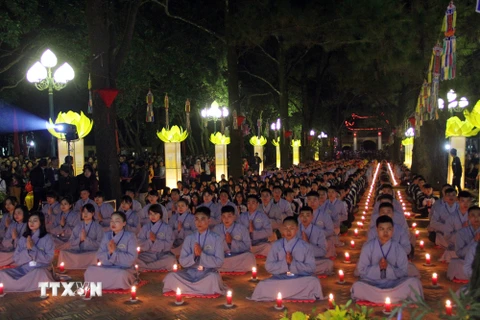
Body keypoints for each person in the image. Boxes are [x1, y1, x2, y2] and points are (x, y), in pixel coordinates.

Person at [351, 215, 424, 304]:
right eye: (382, 229)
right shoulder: (368, 247)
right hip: (372, 283)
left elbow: (404, 272)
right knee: (357, 286)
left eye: (388, 229)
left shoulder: (398, 248)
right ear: (377, 230)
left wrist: (388, 268)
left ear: (393, 230)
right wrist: (378, 267)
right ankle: (395, 297)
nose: (385, 232)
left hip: (394, 283)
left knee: (414, 282)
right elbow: (361, 271)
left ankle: (378, 297)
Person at [249, 216, 323, 301]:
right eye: (286, 228)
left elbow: (311, 268)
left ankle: (284, 293)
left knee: (314, 282)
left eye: (291, 228)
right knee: (262, 284)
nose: (288, 231)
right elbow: (268, 266)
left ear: (297, 229)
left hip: (299, 278)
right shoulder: (276, 245)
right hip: (281, 278)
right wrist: (285, 263)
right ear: (282, 229)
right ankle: (298, 293)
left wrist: (293, 263)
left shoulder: (306, 246)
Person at [162, 206, 226, 295]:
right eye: (196, 219)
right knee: (170, 276)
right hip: (190, 272)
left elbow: (219, 262)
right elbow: (182, 262)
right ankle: (201, 289)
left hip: (207, 273)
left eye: (202, 219)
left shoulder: (216, 239)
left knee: (213, 278)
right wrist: (194, 255)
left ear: (209, 221)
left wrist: (202, 254)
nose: (199, 222)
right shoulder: (189, 238)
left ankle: (188, 288)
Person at [0, 212, 55, 292]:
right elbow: (16, 258)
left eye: (35, 221)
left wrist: (33, 248)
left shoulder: (47, 238)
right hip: (24, 268)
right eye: (29, 221)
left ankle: (16, 285)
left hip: (39, 268)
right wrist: (27, 251)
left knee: (40, 273)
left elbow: (49, 259)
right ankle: (22, 284)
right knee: (2, 273)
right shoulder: (23, 238)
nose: (31, 223)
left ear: (41, 222)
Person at [84, 211, 138, 289]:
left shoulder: (130, 236)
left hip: (123, 268)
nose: (113, 223)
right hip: (107, 266)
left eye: (117, 221)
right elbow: (99, 254)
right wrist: (110, 252)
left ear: (124, 223)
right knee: (90, 270)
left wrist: (114, 252)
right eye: (112, 221)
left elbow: (132, 259)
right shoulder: (106, 235)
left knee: (122, 274)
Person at [57, 203, 104, 269]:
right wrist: (80, 239)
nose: (85, 214)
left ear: (93, 214)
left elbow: (100, 244)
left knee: (96, 255)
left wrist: (86, 239)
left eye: (88, 212)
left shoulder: (98, 227)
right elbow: (71, 241)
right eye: (84, 211)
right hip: (78, 251)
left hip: (90, 253)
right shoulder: (78, 226)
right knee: (63, 253)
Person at [213, 205, 256, 272]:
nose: (226, 219)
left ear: (234, 217)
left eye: (229, 216)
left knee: (250, 256)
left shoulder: (242, 228)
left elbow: (248, 247)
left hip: (238, 256)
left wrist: (232, 242)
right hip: (223, 257)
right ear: (221, 217)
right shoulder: (216, 229)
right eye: (224, 216)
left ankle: (225, 269)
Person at [136, 204, 176, 271]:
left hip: (161, 255)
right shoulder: (145, 227)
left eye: (155, 214)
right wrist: (150, 241)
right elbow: (139, 242)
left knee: (171, 260)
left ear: (160, 214)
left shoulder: (167, 228)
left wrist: (155, 240)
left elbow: (169, 245)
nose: (153, 216)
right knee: (134, 259)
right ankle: (155, 267)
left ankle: (146, 267)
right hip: (147, 254)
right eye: (151, 214)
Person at [297, 206, 333, 275]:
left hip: (313, 260)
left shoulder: (319, 231)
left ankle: (301, 271)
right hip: (297, 261)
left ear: (312, 217)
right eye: (302, 215)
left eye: (307, 215)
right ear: (299, 217)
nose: (304, 218)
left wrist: (308, 243)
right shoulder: (294, 230)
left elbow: (323, 252)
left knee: (328, 263)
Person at [447, 205, 480, 280]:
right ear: (468, 217)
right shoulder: (461, 232)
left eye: (479, 215)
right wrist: (474, 240)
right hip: (466, 261)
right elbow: (459, 253)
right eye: (473, 215)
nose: (476, 218)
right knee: (455, 263)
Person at [441, 191, 472, 262]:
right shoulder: (452, 217)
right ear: (458, 201)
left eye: (468, 201)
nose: (465, 204)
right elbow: (447, 236)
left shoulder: (475, 217)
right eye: (463, 201)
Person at [306, 190, 336, 258]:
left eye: (314, 200)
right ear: (307, 201)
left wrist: (318, 234)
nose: (312, 202)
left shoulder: (325, 215)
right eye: (309, 200)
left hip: (321, 239)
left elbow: (330, 230)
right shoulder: (301, 216)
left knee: (329, 242)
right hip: (306, 239)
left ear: (319, 201)